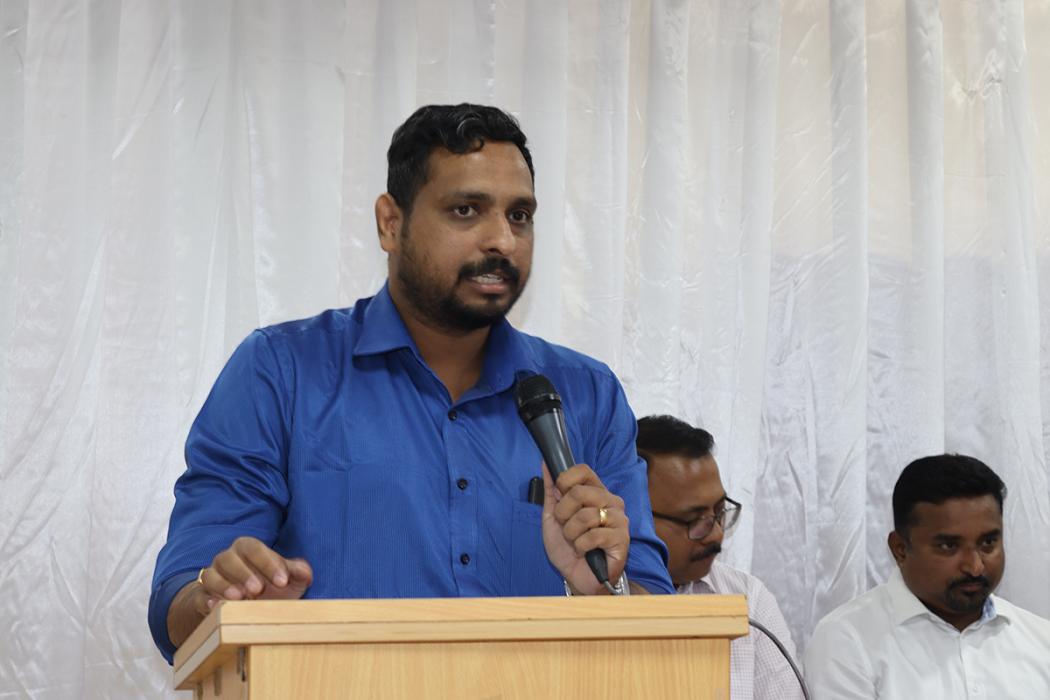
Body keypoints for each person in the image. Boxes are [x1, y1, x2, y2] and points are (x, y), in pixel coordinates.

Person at [148, 104, 675, 662]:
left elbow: (658, 619)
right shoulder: (281, 372)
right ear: (390, 223)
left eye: (519, 215)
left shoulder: (587, 394)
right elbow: (178, 605)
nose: (502, 240)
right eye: (466, 210)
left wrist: (602, 593)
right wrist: (225, 599)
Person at [804, 454, 1050, 699]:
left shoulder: (1041, 640)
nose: (975, 567)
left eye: (988, 543)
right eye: (949, 546)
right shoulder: (848, 641)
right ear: (900, 549)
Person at [637, 415, 804, 700]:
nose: (715, 534)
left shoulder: (748, 600)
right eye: (694, 520)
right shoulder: (585, 600)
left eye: (719, 511)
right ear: (634, 513)